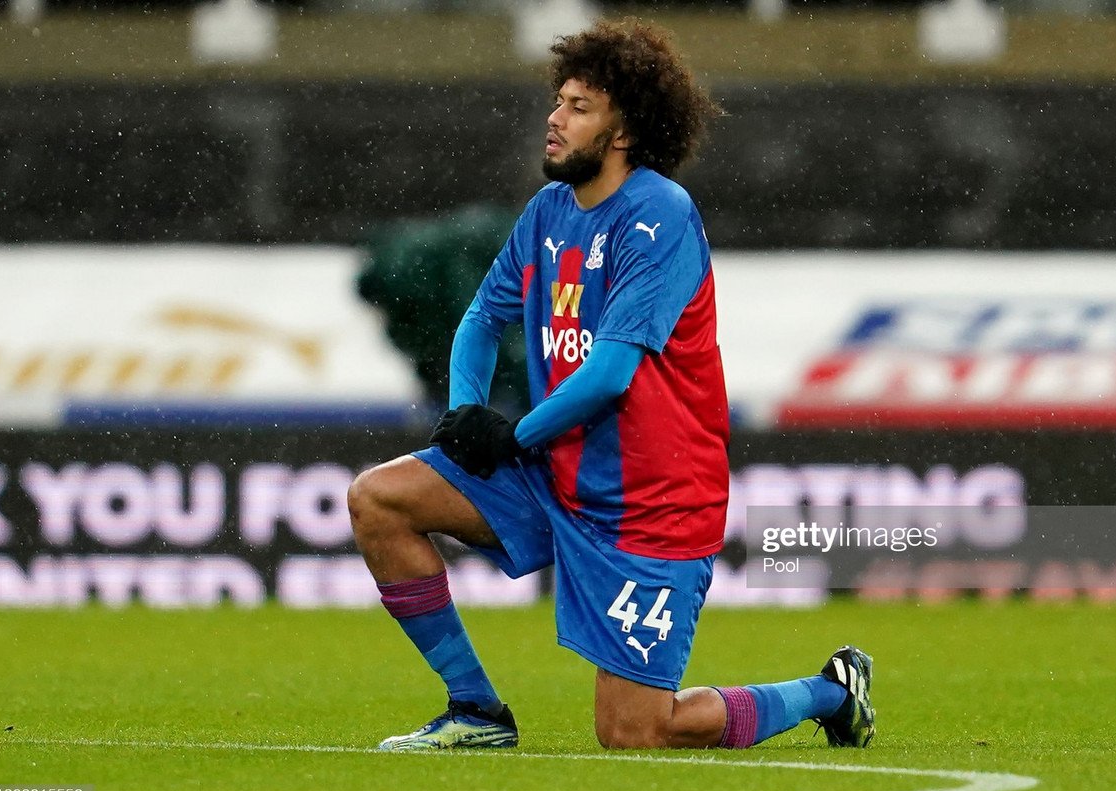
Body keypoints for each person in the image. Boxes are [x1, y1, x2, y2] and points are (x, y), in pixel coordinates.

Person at [347, 19, 875, 751]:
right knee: (380, 498)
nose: (554, 119)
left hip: (651, 504)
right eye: (557, 101)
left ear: (622, 129)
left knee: (635, 735)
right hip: (555, 469)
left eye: (578, 106)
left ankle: (829, 690)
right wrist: (467, 413)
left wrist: (511, 434)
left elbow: (609, 374)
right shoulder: (548, 212)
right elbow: (479, 319)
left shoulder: (659, 214)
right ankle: (475, 711)